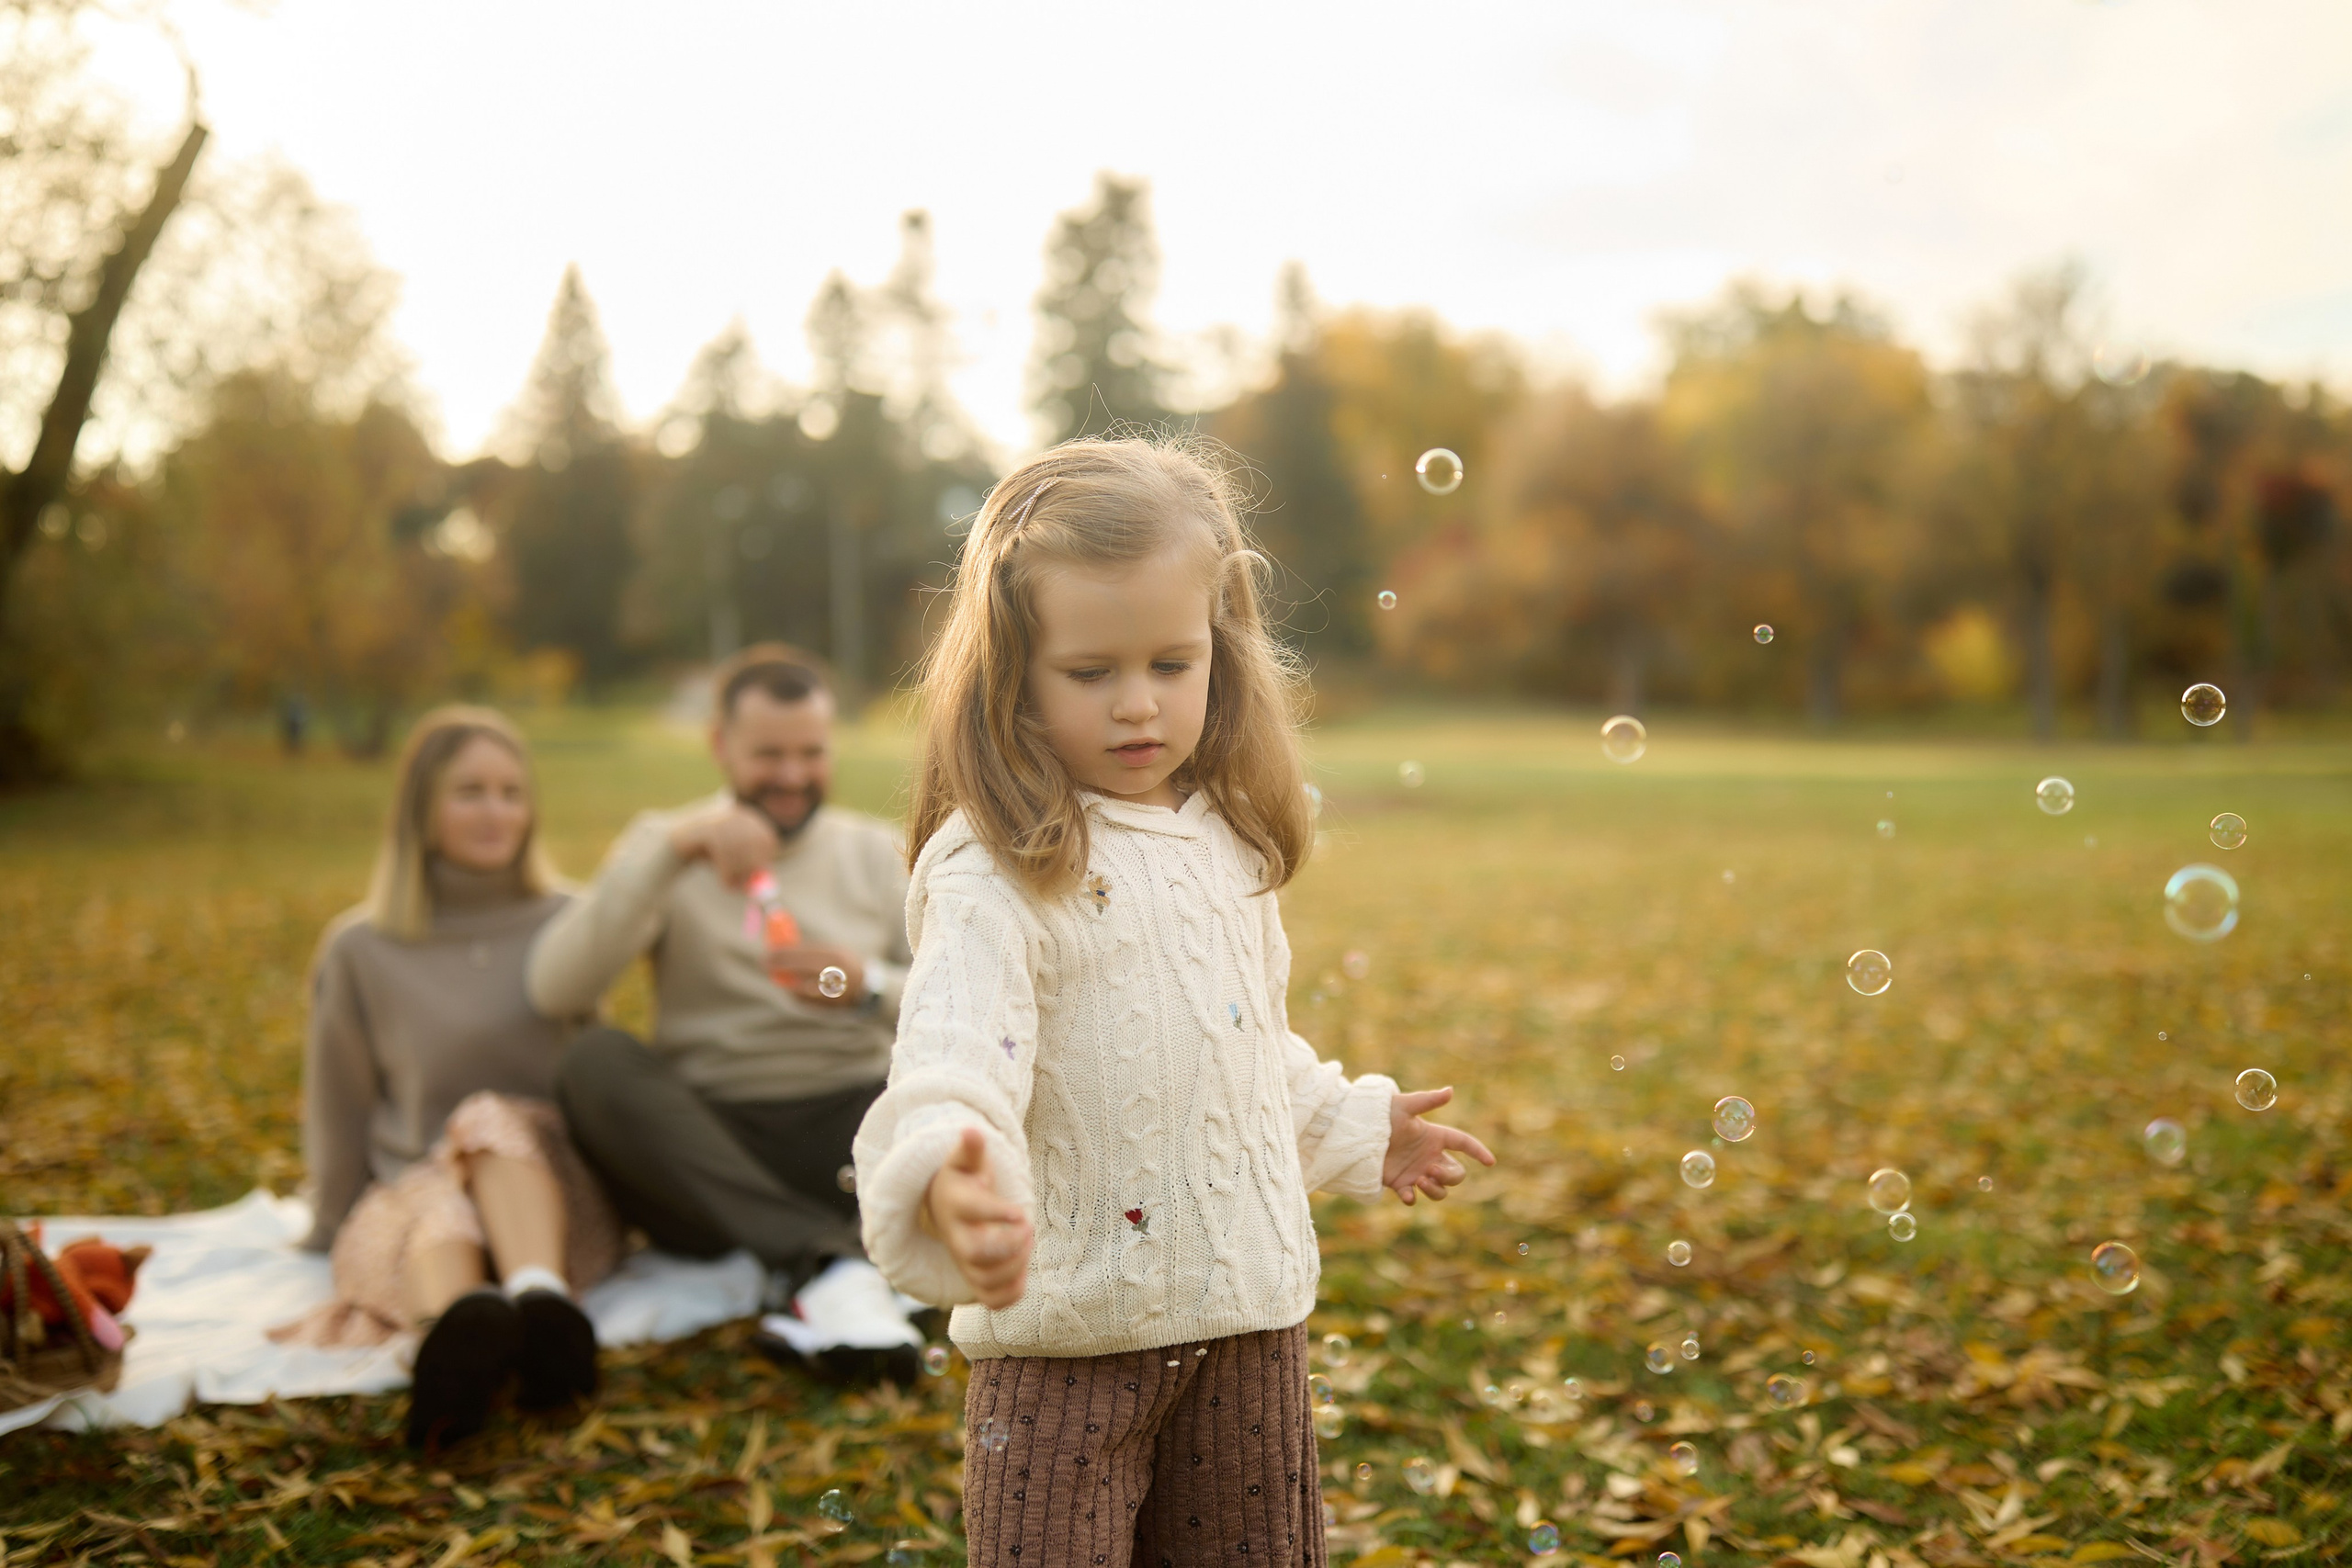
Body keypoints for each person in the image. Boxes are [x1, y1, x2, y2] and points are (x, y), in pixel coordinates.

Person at [852, 437, 1496, 1568]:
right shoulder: (994, 867)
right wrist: (955, 1174)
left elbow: (1236, 1054)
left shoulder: (1225, 846)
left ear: (1221, 653)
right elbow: (956, 1057)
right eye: (1090, 672)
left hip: (1247, 1325)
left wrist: (1356, 1125)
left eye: (1172, 662)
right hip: (1065, 1341)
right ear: (1012, 676)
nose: (1138, 705)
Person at [532, 644, 923, 1381]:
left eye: (810, 752)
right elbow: (556, 988)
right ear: (720, 745)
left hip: (851, 1123)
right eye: (767, 753)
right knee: (593, 1062)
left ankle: (802, 1256)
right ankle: (834, 1259)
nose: (791, 775)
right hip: (711, 1142)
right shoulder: (668, 849)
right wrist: (673, 850)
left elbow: (959, 1009)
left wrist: (864, 982)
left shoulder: (873, 854)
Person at [271, 706, 622, 1450]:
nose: (496, 810)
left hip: (549, 1196)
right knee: (437, 1204)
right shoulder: (362, 947)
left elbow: (600, 1071)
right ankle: (461, 1340)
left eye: (510, 791)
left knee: (488, 1118)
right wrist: (332, 1220)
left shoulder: (570, 922)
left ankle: (541, 1303)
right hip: (426, 1190)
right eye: (470, 791)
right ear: (422, 809)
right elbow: (340, 1099)